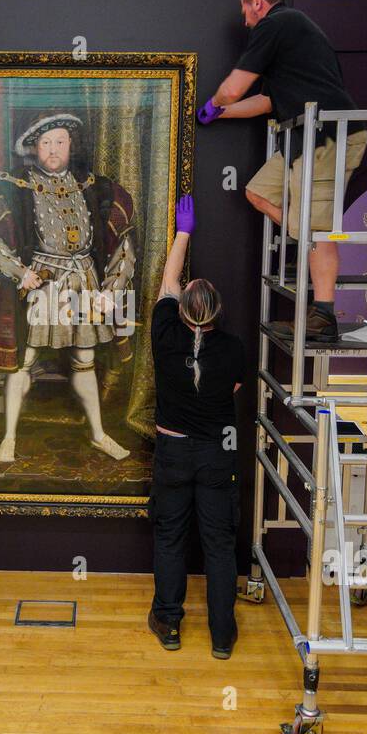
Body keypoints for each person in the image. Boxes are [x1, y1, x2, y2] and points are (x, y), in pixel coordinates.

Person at [0, 111, 138, 463]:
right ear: (34, 148)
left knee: (84, 359)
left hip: (85, 280)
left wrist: (110, 291)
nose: (53, 150)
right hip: (42, 282)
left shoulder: (96, 188)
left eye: (60, 142)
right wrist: (19, 271)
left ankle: (99, 434)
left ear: (71, 145)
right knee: (24, 360)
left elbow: (124, 245)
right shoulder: (11, 186)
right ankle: (8, 438)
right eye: (45, 143)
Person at [196, 0, 367, 343]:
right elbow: (265, 101)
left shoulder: (278, 23)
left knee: (317, 227)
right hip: (303, 138)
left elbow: (234, 87)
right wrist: (221, 115)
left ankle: (323, 316)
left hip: (328, 136)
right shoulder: (290, 40)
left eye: (246, 12)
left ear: (258, 2)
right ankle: (304, 240)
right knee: (258, 193)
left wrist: (214, 103)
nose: (245, 22)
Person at [147, 194, 247, 660]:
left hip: (172, 453)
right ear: (215, 312)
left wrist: (183, 232)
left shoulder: (165, 334)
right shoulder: (232, 348)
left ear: (184, 310)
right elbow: (232, 392)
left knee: (170, 537)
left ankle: (169, 624)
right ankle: (221, 635)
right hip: (216, 455)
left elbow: (169, 280)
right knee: (219, 544)